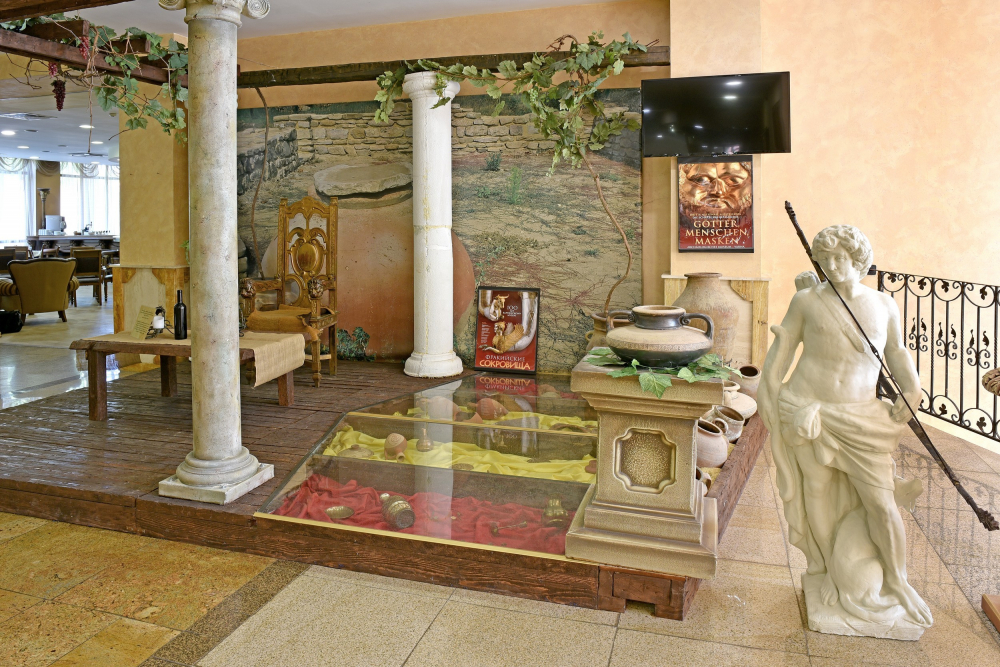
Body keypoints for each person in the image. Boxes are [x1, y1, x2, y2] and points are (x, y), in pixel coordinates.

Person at [758, 224, 933, 632]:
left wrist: (912, 388)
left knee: (881, 502)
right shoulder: (806, 301)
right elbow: (782, 353)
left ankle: (897, 580)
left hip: (860, 417)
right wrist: (770, 393)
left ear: (859, 260)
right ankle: (826, 568)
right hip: (807, 409)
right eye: (825, 259)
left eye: (840, 258)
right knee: (815, 489)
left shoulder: (883, 305)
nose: (833, 266)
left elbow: (897, 352)